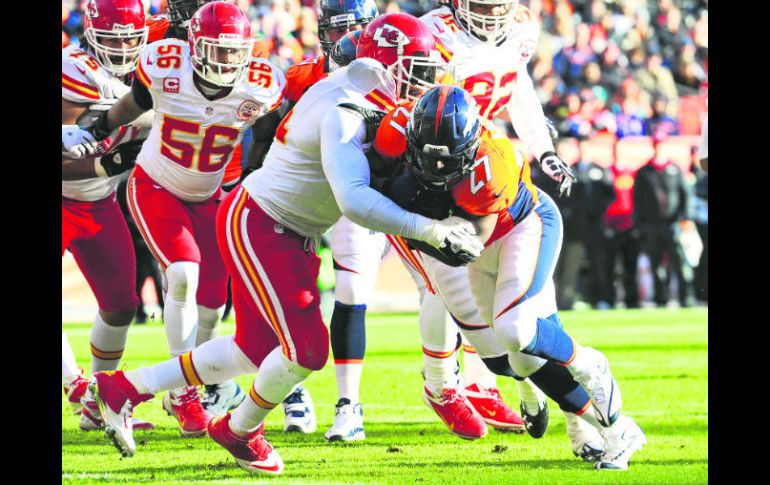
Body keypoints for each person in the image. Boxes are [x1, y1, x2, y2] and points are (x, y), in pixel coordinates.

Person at [86, 12, 482, 475]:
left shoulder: (363, 90)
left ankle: (123, 389)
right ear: (385, 63)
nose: (424, 79)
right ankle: (239, 430)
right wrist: (430, 229)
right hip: (265, 224)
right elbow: (353, 201)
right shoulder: (346, 107)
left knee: (251, 351)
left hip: (281, 227)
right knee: (308, 350)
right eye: (415, 68)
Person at [394, 84, 646, 470]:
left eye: (449, 159)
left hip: (520, 228)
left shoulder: (491, 161)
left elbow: (470, 243)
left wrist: (415, 226)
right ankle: (618, 428)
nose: (437, 168)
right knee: (518, 362)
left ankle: (588, 365)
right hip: (481, 246)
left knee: (517, 329)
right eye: (429, 156)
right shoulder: (413, 150)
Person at [69, 1, 287, 439]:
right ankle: (182, 392)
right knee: (183, 274)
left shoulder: (261, 85)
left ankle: (195, 381)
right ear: (195, 46)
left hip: (208, 196)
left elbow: (268, 134)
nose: (227, 60)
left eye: (234, 51)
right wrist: (97, 128)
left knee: (213, 299)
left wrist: (257, 180)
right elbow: (135, 103)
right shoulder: (167, 66)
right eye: (217, 50)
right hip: (155, 186)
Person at [416, 0, 577, 437]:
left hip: (491, 170)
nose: (490, 14)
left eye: (498, 5)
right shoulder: (434, 33)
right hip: (436, 174)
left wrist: (545, 150)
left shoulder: (522, 26)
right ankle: (451, 384)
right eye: (481, 5)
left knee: (522, 291)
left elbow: (519, 87)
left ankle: (523, 385)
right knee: (446, 282)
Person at [61, 0, 154, 432]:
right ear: (92, 32)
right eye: (113, 38)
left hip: (98, 203)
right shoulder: (76, 69)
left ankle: (98, 402)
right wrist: (105, 165)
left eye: (130, 39)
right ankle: (75, 385)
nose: (122, 48)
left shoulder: (152, 71)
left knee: (121, 305)